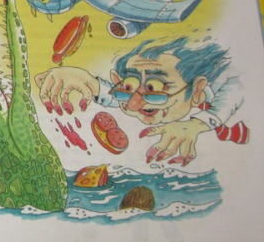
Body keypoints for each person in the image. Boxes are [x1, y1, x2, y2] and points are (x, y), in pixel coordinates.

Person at [35, 37, 247, 165]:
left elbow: (237, 87)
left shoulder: (225, 81)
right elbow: (121, 96)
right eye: (129, 87)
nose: (134, 104)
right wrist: (89, 82)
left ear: (197, 89)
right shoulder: (135, 99)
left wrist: (198, 124)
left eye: (154, 88)